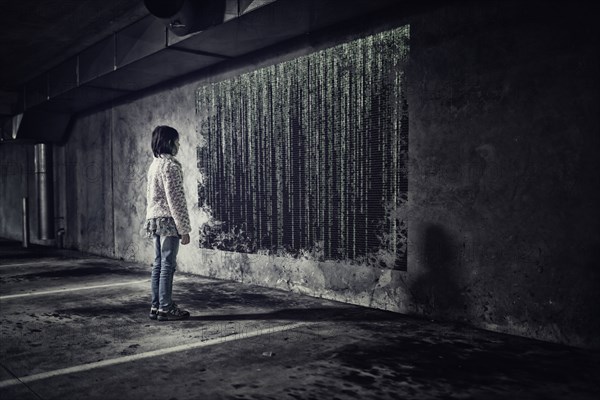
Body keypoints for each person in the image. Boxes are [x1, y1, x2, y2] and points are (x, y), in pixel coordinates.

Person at [144, 125, 191, 321]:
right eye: (177, 141)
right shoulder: (170, 166)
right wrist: (184, 229)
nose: (179, 145)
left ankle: (156, 306)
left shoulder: (154, 165)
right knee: (167, 266)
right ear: (170, 143)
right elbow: (176, 199)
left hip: (154, 219)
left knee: (158, 264)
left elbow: (150, 196)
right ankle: (166, 307)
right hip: (168, 220)